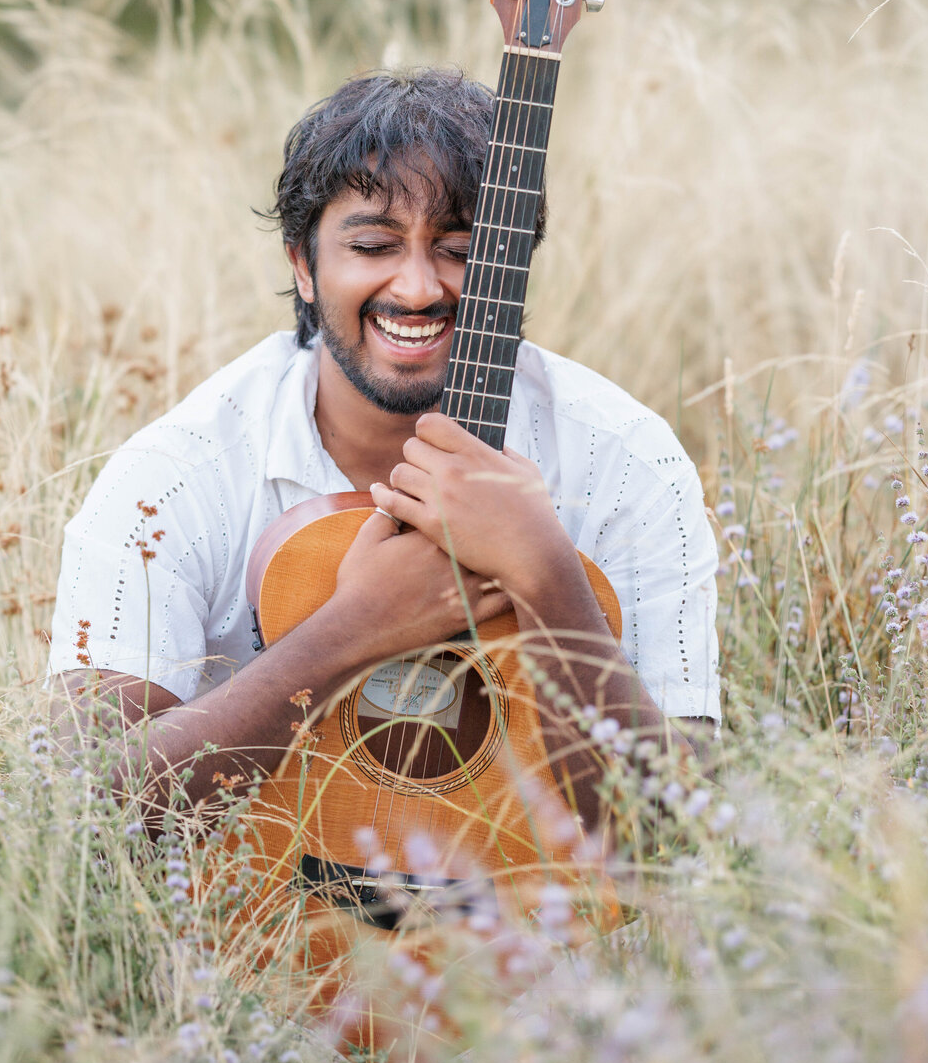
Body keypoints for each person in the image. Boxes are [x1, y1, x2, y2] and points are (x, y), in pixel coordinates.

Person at [49, 67, 719, 833]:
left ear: (510, 270)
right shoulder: (170, 479)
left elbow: (679, 827)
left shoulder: (629, 462)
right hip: (267, 938)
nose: (418, 287)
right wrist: (357, 627)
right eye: (373, 244)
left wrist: (546, 574)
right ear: (303, 265)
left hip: (540, 937)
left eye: (461, 249)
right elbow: (89, 803)